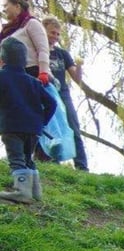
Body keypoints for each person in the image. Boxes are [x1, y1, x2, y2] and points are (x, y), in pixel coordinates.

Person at [0, 36, 57, 204]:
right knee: (27, 158)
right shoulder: (33, 82)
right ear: (25, 61)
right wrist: (43, 121)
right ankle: (35, 192)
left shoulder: (2, 77)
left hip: (11, 126)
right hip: (34, 129)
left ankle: (22, 191)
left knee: (16, 158)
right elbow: (51, 102)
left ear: (3, 58)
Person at [42, 16, 88, 171]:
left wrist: (80, 66)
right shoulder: (37, 51)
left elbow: (77, 78)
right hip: (46, 94)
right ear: (43, 31)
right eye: (51, 33)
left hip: (63, 95)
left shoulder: (62, 54)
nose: (55, 37)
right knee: (50, 130)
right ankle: (53, 164)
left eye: (57, 34)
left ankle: (81, 166)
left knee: (73, 127)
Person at [0, 0, 50, 84]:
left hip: (31, 73)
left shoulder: (31, 23)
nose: (4, 9)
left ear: (17, 6)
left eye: (6, 5)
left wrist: (43, 72)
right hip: (11, 76)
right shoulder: (6, 32)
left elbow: (42, 49)